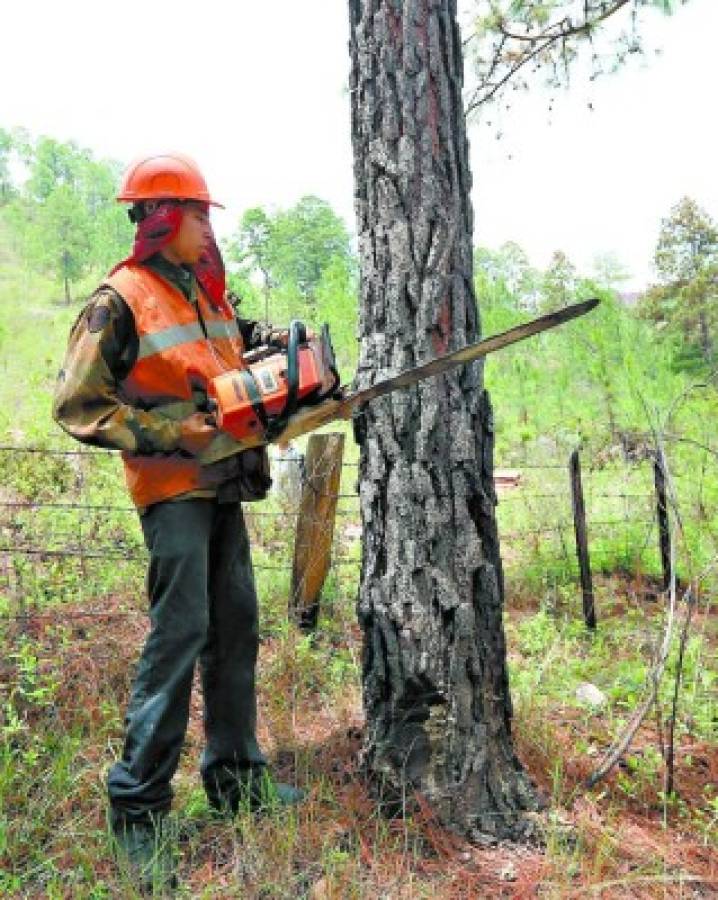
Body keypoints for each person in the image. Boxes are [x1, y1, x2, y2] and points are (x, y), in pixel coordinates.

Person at [53, 153, 304, 890]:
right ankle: (137, 807)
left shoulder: (206, 292)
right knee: (181, 634)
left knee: (235, 627)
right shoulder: (120, 299)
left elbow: (226, 359)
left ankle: (236, 779)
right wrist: (170, 435)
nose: (206, 226)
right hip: (173, 492)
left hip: (225, 481)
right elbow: (78, 405)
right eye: (198, 213)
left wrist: (283, 360)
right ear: (162, 218)